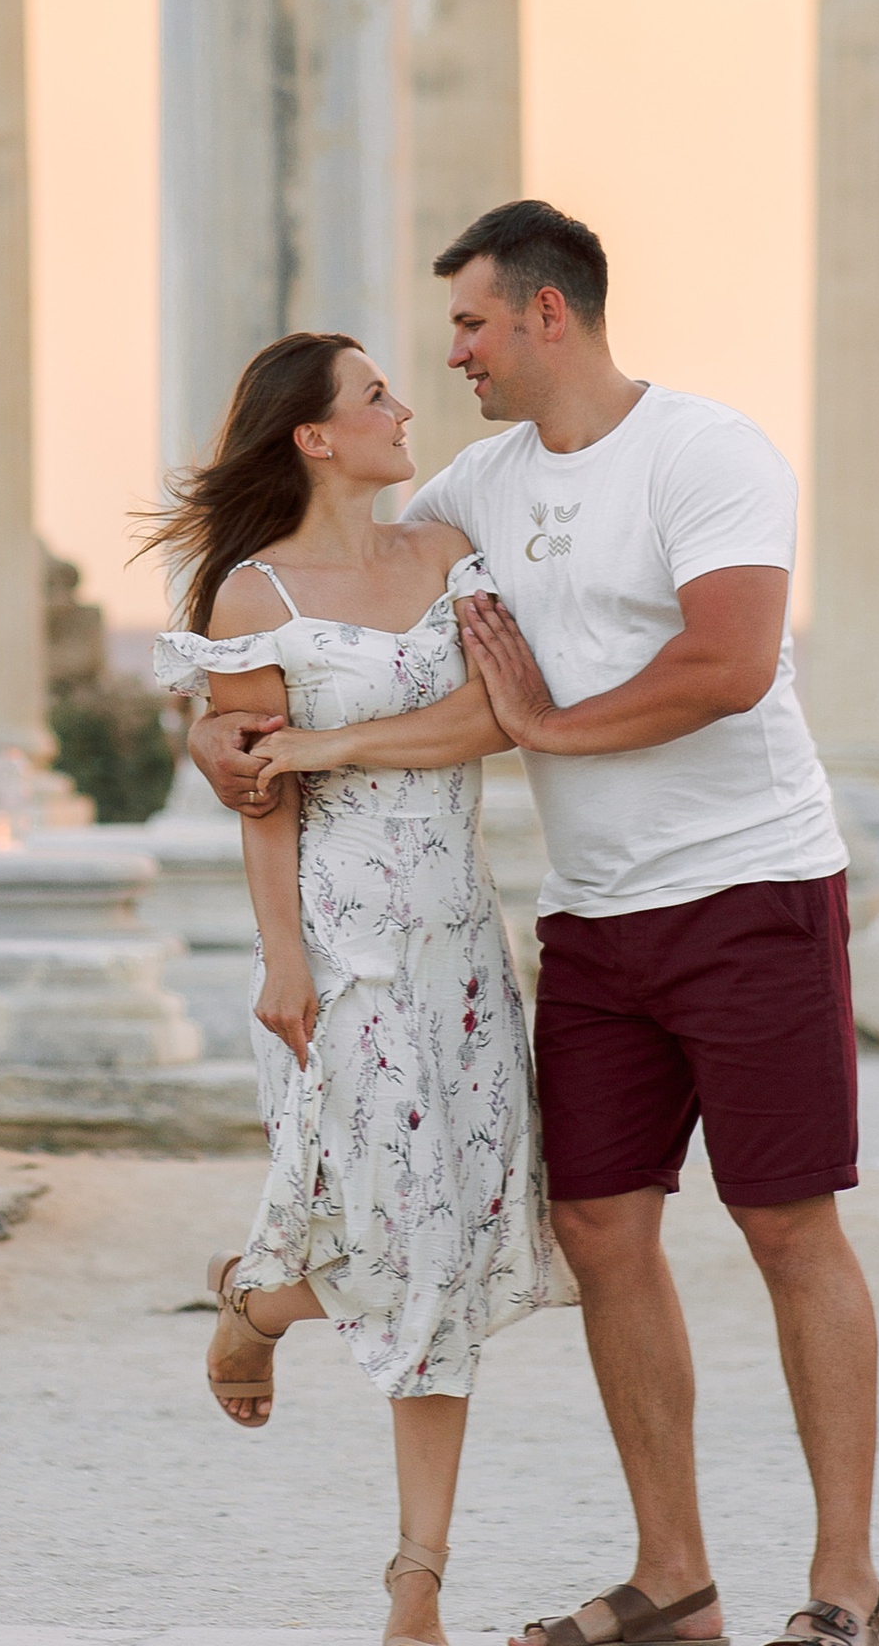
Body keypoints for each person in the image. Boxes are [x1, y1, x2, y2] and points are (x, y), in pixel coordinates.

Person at [187, 203, 879, 1646]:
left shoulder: (708, 452)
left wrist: (550, 731)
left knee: (786, 1226)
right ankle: (674, 1582)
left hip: (752, 888)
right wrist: (223, 734)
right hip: (591, 924)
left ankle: (843, 1590)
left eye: (469, 326)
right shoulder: (479, 486)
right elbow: (342, 601)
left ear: (547, 316)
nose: (450, 357)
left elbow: (732, 662)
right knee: (600, 1230)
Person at [143, 330, 560, 1646]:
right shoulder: (253, 598)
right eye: (375, 394)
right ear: (314, 436)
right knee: (411, 1236)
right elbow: (262, 797)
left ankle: (411, 1572)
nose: (402, 406)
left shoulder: (447, 557)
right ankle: (261, 1309)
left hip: (461, 941)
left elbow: (500, 713)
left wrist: (342, 738)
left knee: (460, 1235)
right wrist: (281, 962)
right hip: (343, 944)